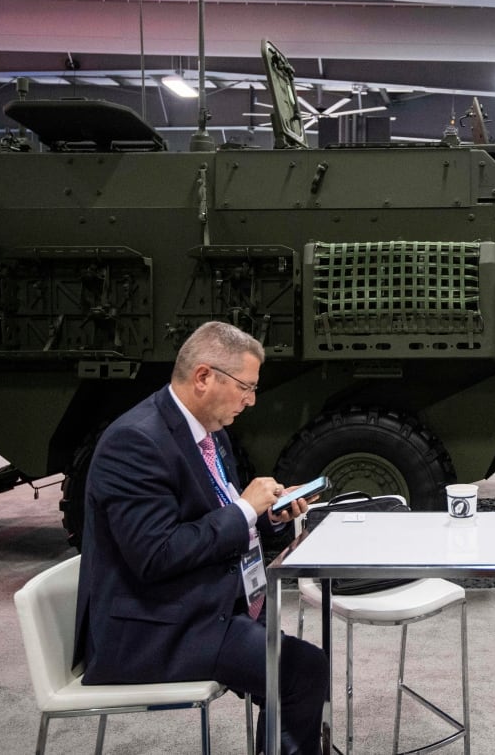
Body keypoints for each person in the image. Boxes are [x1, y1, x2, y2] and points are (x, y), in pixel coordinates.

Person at [74, 321, 328, 755]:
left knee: (291, 663)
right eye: (245, 387)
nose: (250, 400)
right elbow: (155, 554)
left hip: (200, 603)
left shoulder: (210, 434)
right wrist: (246, 509)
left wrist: (268, 517)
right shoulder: (134, 442)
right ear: (204, 377)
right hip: (152, 629)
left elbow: (215, 520)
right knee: (303, 670)